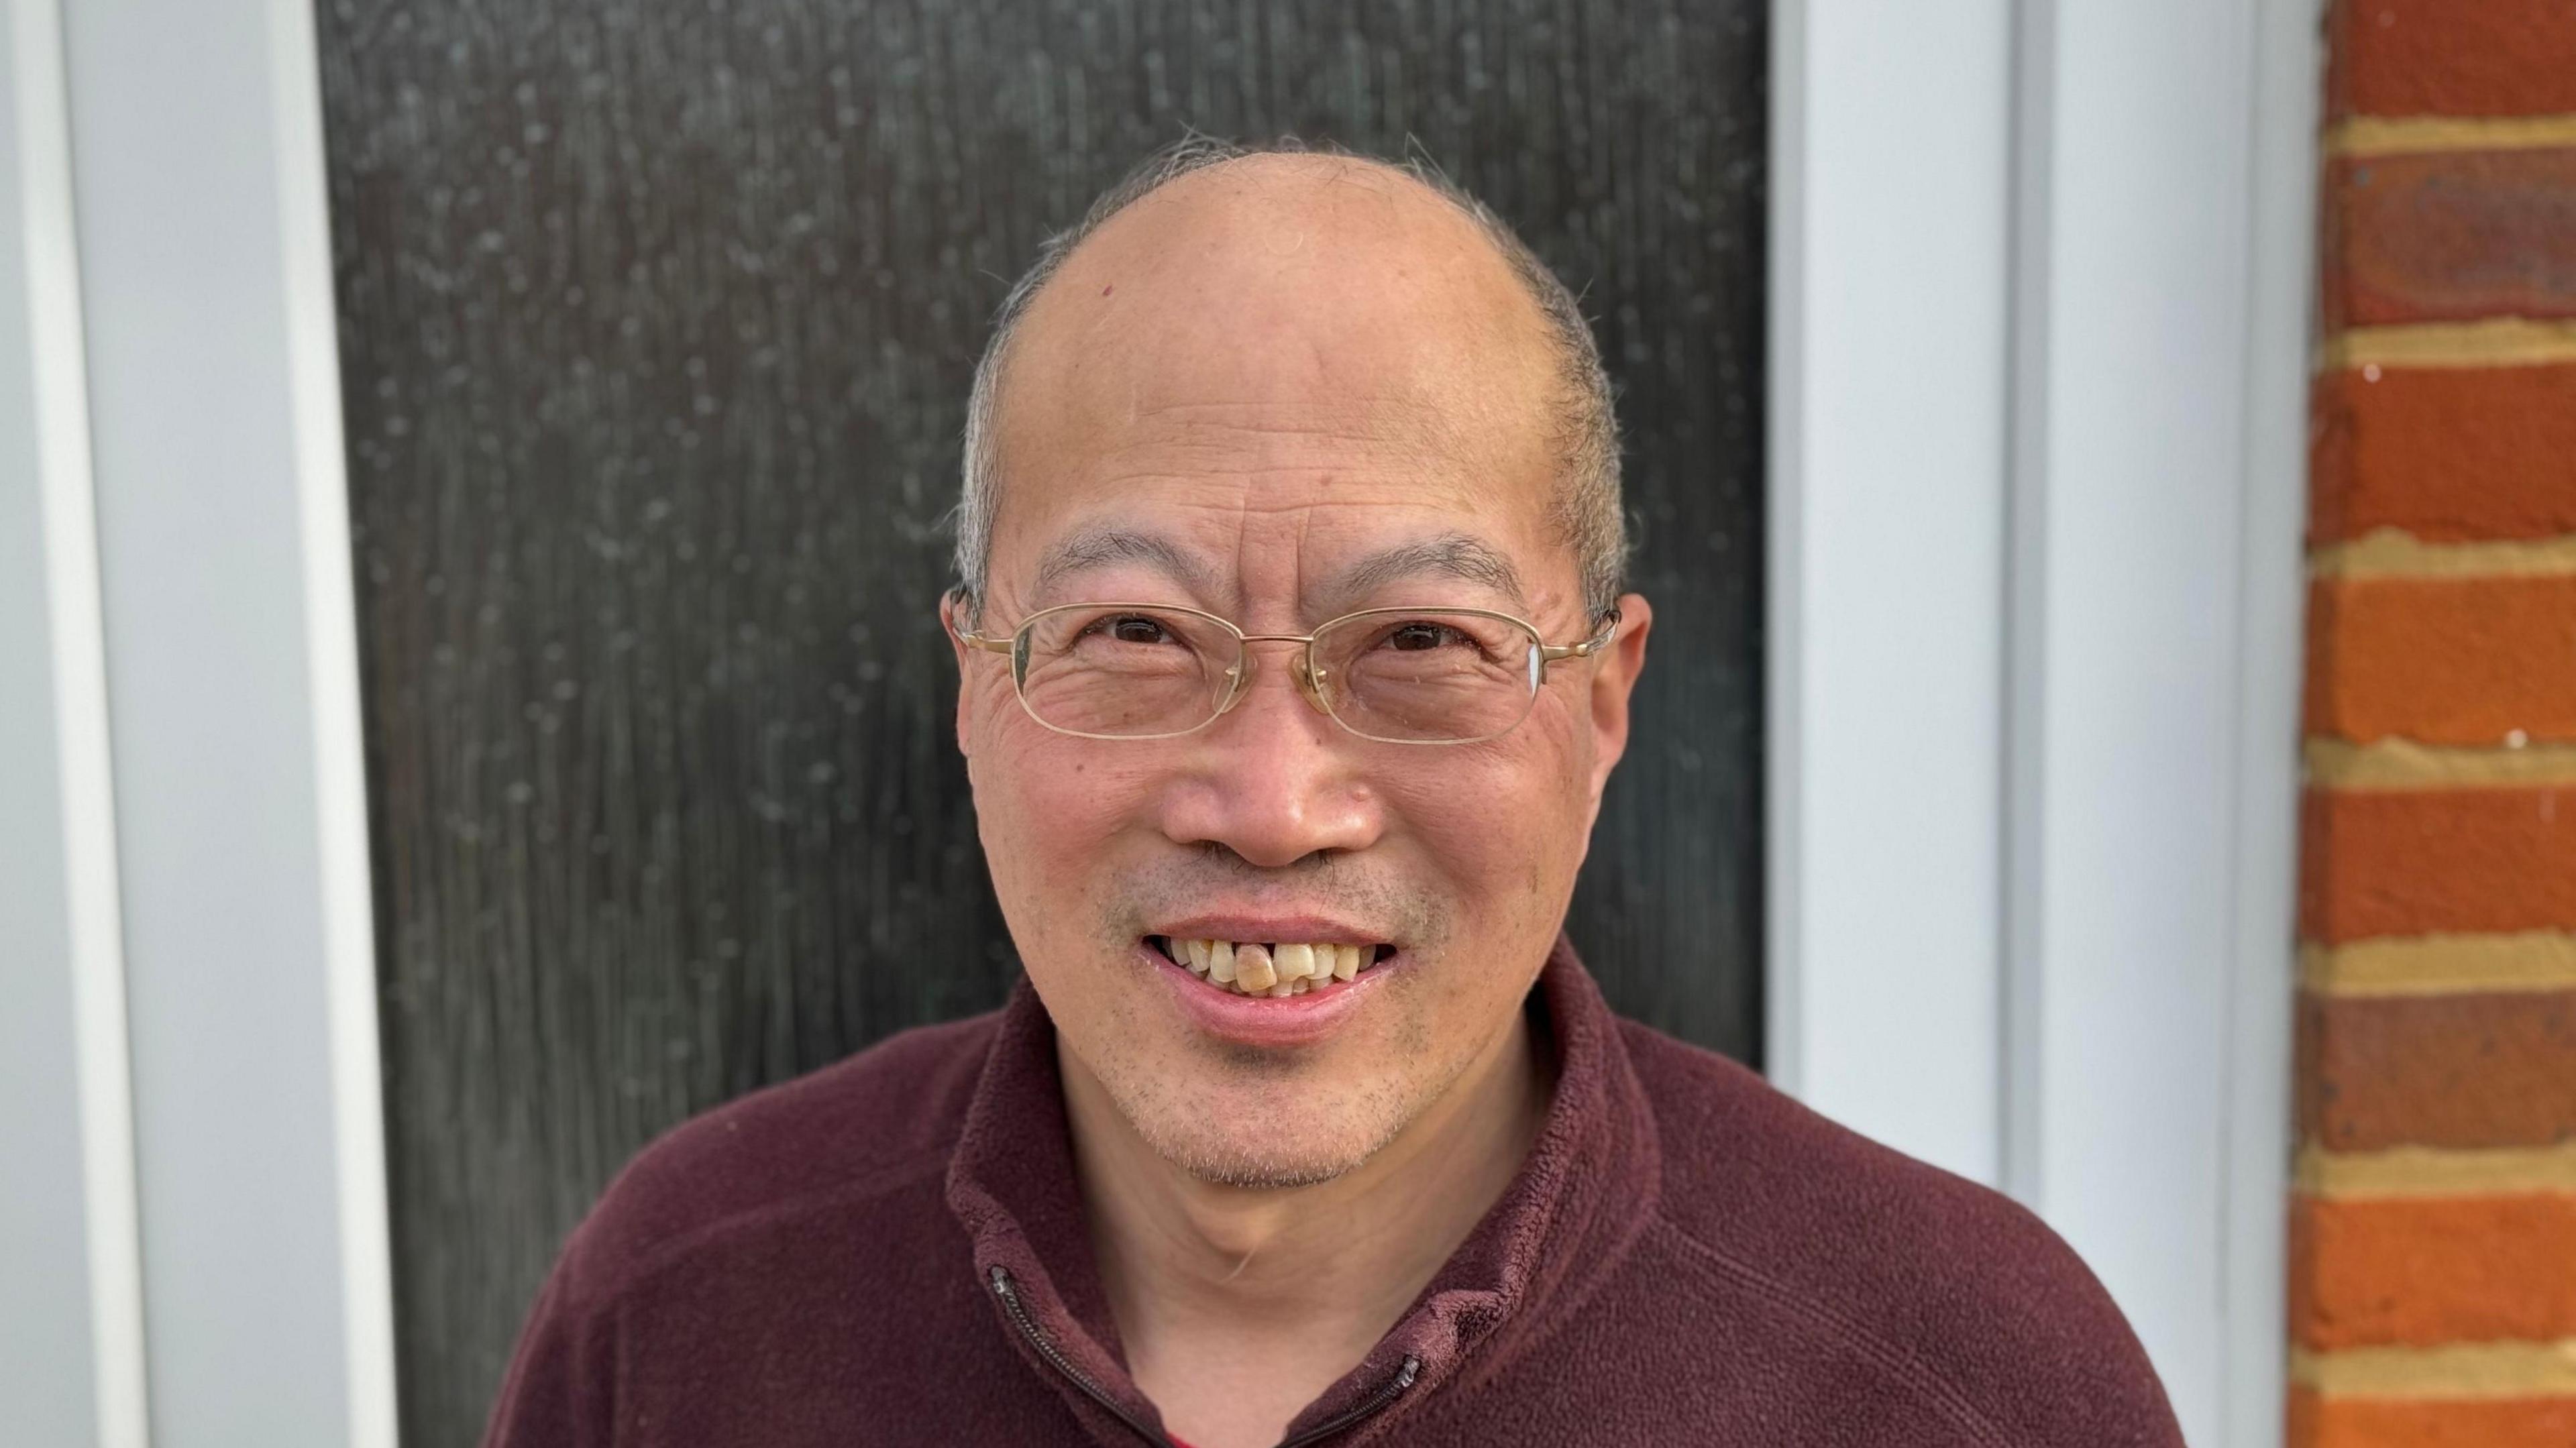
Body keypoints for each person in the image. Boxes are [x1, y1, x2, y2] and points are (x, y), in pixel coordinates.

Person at [484, 139, 2182, 1448]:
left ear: (1601, 703)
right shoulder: (685, 1320)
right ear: (972, 689)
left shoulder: (1965, 1386)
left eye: (1422, 641)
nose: (1275, 802)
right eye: (1134, 632)